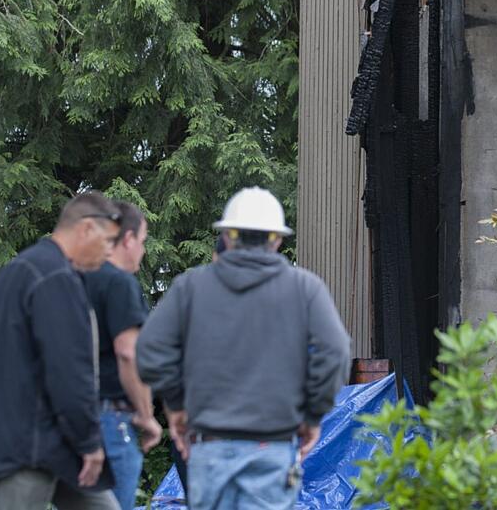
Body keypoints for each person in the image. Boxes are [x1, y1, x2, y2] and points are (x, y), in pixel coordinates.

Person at [136, 188, 351, 510]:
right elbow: (335, 353)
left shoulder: (191, 287)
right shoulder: (305, 288)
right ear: (277, 239)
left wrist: (177, 406)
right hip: (273, 444)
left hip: (208, 446)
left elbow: (150, 350)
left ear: (227, 236)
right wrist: (311, 414)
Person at [0, 191, 124, 510]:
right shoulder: (56, 278)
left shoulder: (18, 270)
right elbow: (69, 371)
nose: (109, 253)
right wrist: (90, 442)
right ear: (87, 228)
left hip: (54, 444)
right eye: (108, 241)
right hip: (29, 447)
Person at [82, 201, 161, 510]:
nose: (141, 250)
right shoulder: (119, 282)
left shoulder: (72, 278)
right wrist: (146, 414)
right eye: (141, 241)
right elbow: (128, 353)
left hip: (71, 421)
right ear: (127, 239)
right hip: (110, 420)